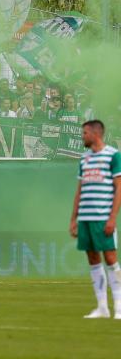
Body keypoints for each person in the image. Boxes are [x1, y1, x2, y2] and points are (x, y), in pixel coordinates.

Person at [69, 120, 121, 319]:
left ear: (95, 133)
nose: (82, 136)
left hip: (102, 217)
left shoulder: (113, 155)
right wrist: (73, 219)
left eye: (84, 133)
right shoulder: (84, 158)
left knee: (110, 259)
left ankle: (118, 306)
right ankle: (102, 307)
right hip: (86, 218)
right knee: (92, 260)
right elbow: (79, 190)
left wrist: (112, 218)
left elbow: (119, 189)